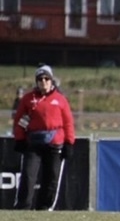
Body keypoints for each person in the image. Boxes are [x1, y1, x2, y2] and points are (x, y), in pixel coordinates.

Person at [12, 64, 76, 210]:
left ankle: (44, 207)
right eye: (40, 79)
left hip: (55, 143)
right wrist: (20, 139)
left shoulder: (60, 100)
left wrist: (69, 143)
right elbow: (20, 120)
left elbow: (68, 123)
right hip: (34, 143)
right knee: (28, 176)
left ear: (52, 80)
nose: (44, 82)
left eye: (47, 79)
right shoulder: (29, 99)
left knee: (51, 178)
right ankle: (23, 206)